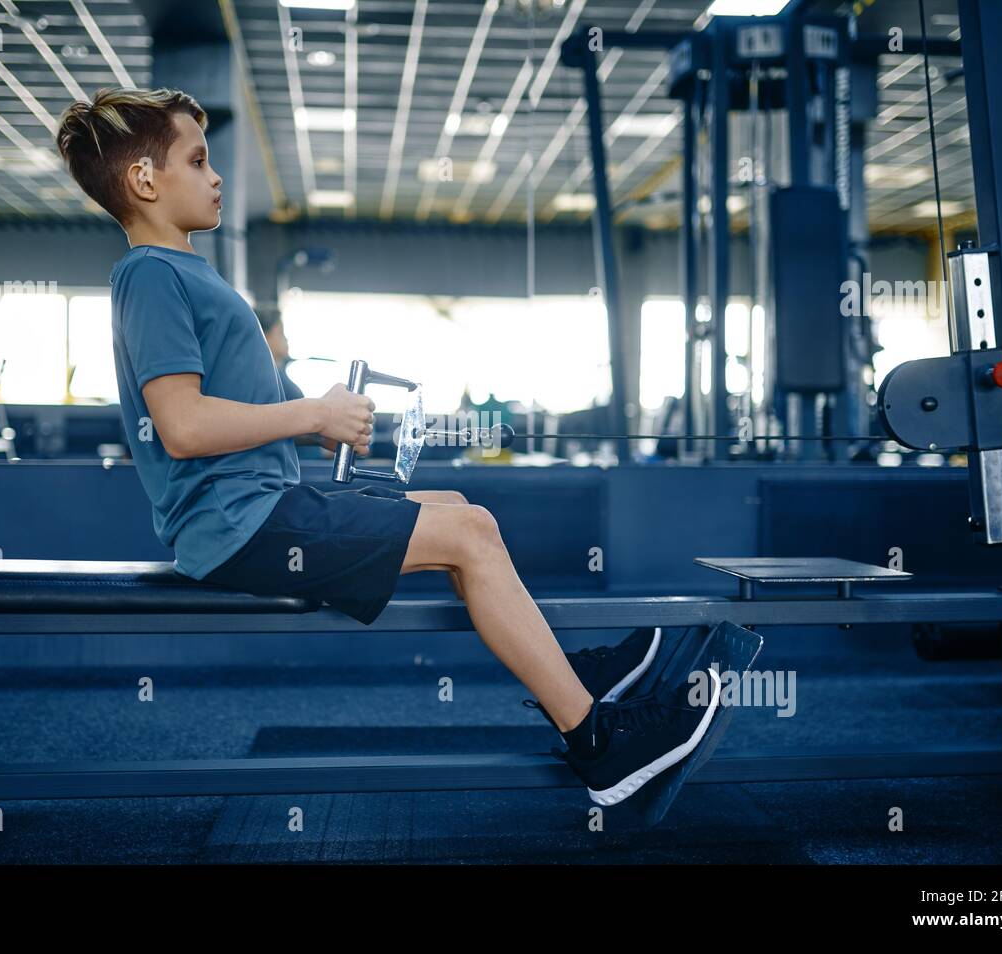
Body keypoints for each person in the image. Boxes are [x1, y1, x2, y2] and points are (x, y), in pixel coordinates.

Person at [55, 86, 720, 807]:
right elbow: (182, 426)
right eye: (198, 160)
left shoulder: (184, 272)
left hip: (260, 507)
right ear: (146, 180)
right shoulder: (151, 275)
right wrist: (314, 414)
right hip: (237, 528)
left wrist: (326, 417)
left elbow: (236, 410)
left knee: (460, 507)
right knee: (470, 533)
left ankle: (566, 675)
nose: (216, 177)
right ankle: (602, 745)